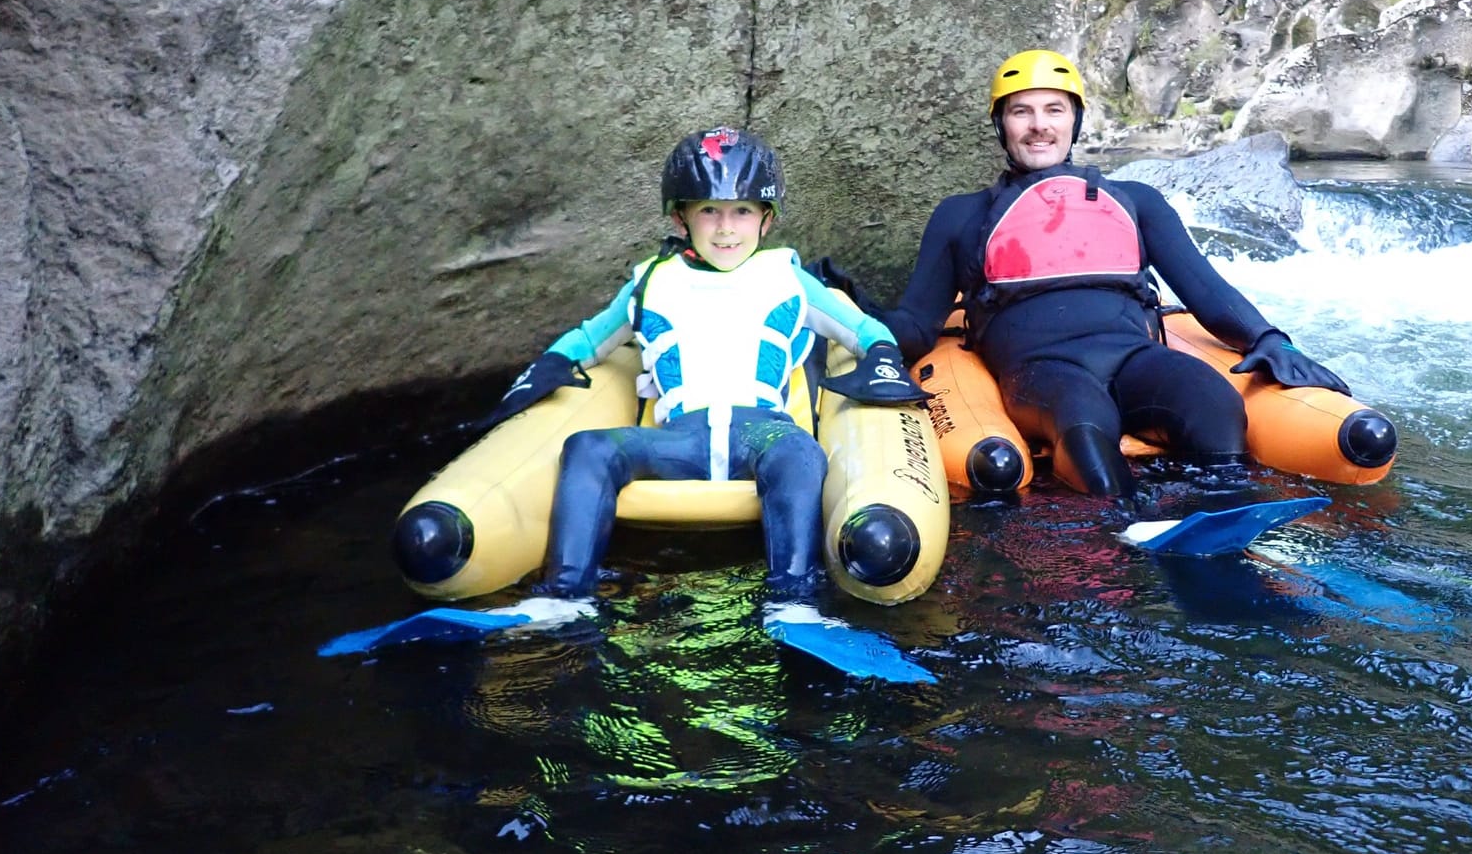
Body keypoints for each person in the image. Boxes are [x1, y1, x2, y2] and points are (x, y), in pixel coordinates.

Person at [483, 127, 928, 670]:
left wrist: (881, 356)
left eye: (741, 211)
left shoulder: (788, 278)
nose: (725, 228)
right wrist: (551, 363)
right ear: (681, 218)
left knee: (799, 452)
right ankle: (564, 596)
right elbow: (588, 339)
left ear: (766, 219)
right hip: (680, 438)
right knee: (588, 447)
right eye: (709, 211)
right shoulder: (650, 281)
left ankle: (792, 604)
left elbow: (864, 330)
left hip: (761, 432)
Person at [881, 50, 1350, 499]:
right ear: (1001, 125)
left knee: (1212, 402)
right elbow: (919, 324)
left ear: (1075, 121)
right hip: (1042, 372)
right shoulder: (961, 215)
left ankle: (1222, 515)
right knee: (1082, 420)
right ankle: (1117, 528)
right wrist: (862, 320)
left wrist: (1270, 339)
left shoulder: (1136, 201)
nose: (1039, 125)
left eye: (1054, 110)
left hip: (1133, 357)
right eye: (1022, 112)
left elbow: (1206, 289)